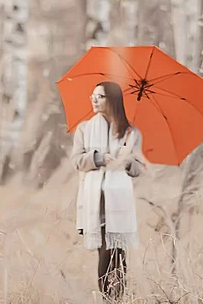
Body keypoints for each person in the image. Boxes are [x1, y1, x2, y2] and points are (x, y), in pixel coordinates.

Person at [70, 81, 146, 301]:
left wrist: (128, 161)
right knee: (105, 250)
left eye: (99, 96)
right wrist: (98, 158)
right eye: (92, 96)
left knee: (118, 253)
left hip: (118, 200)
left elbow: (138, 168)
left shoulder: (131, 133)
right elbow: (76, 161)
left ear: (112, 100)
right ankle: (108, 298)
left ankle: (117, 297)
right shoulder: (84, 129)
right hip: (94, 201)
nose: (93, 100)